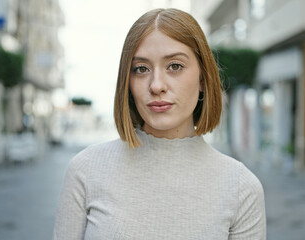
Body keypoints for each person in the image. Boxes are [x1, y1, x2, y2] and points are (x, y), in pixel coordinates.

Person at [53, 8, 266, 240]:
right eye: (141, 69)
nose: (156, 85)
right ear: (127, 81)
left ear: (203, 79)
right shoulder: (86, 171)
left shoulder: (241, 188)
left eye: (175, 66)